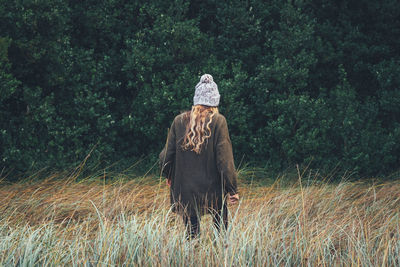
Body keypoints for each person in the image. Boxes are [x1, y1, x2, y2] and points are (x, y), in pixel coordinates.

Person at [159, 74, 239, 240]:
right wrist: (232, 189)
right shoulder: (218, 121)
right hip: (214, 191)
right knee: (221, 236)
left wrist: (168, 174)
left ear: (196, 100)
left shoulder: (179, 121)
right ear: (215, 101)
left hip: (185, 190)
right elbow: (224, 159)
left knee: (192, 237)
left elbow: (167, 155)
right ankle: (220, 260)